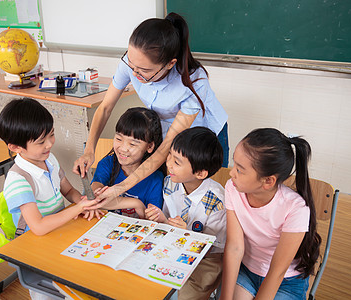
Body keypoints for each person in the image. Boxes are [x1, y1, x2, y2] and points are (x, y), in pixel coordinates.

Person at [74, 12, 229, 206]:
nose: (135, 73)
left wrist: (120, 189)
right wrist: (90, 149)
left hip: (201, 136)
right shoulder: (133, 63)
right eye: (132, 66)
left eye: (144, 71)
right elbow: (105, 107)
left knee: (201, 196)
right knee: (171, 195)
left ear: (170, 64)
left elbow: (165, 149)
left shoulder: (194, 82)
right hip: (166, 130)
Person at [0, 98, 101, 299]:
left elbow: (68, 190)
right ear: (15, 147)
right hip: (36, 248)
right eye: (41, 142)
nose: (50, 144)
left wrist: (82, 201)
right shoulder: (18, 179)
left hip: (59, 234)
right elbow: (38, 227)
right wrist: (78, 209)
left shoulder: (48, 159)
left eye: (52, 135)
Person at [221, 128, 321, 300]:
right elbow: (235, 247)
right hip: (246, 270)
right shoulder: (233, 188)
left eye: (239, 169)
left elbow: (277, 271)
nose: (231, 173)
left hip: (286, 281)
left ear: (268, 181)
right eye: (234, 164)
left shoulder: (296, 208)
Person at [145, 127, 226, 300]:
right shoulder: (171, 182)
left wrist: (188, 235)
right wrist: (162, 219)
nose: (168, 164)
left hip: (206, 261)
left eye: (177, 162)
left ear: (200, 173)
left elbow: (213, 247)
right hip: (172, 247)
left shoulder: (217, 201)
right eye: (170, 156)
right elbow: (168, 222)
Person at [90, 107, 165, 218]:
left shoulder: (155, 179)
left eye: (133, 144)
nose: (123, 149)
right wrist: (136, 204)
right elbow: (96, 199)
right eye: (119, 139)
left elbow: (150, 221)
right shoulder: (108, 164)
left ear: (149, 146)